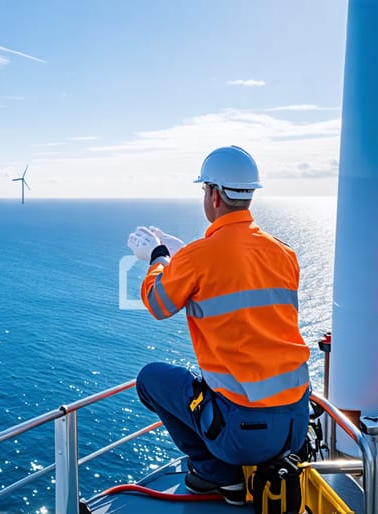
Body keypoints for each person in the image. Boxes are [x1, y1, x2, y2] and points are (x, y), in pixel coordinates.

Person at [126, 145, 310, 505]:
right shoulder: (284, 253)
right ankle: (227, 476)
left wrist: (158, 257)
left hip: (242, 436)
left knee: (150, 379)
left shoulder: (199, 256)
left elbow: (158, 304)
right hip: (295, 427)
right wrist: (184, 256)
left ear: (213, 194)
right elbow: (241, 283)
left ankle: (217, 474)